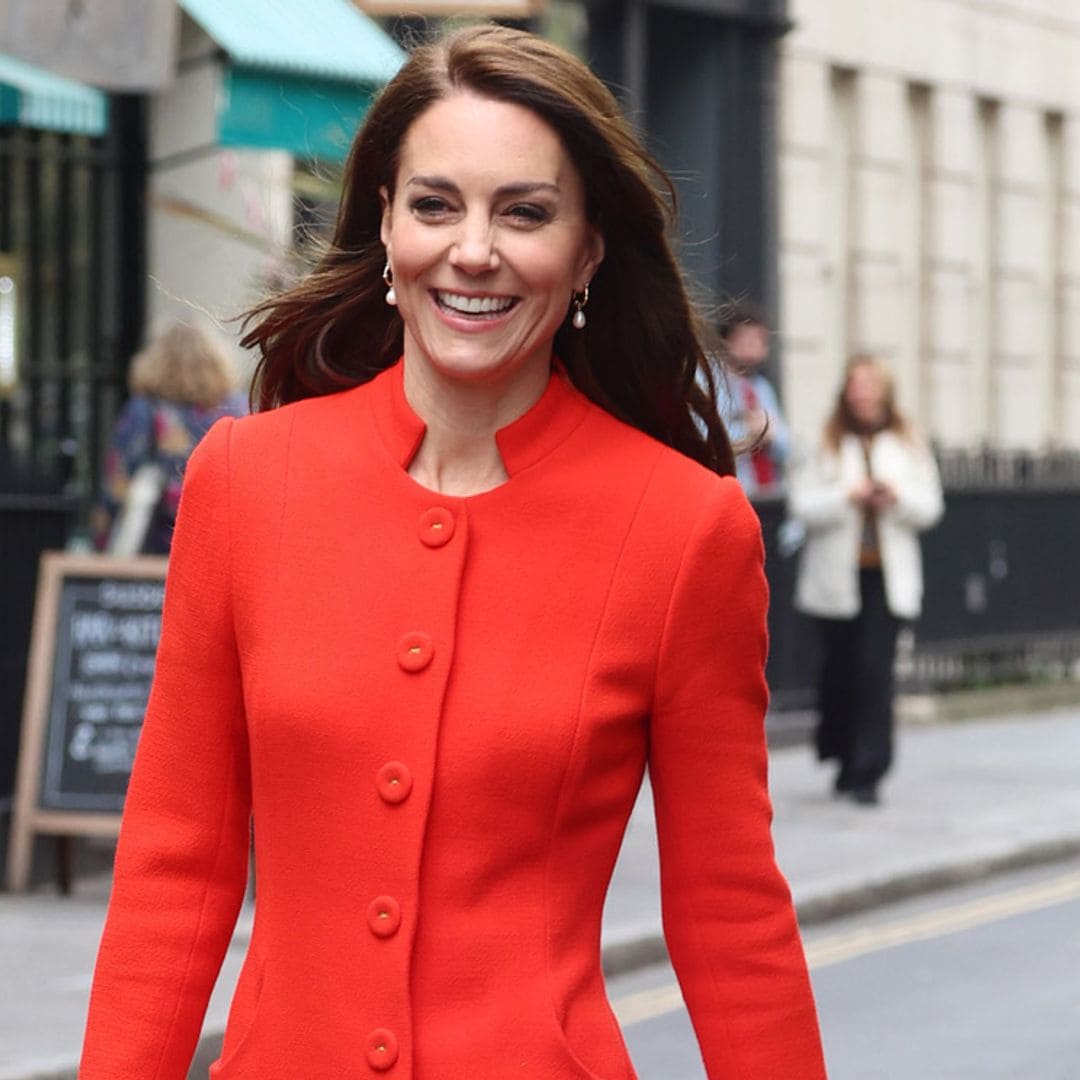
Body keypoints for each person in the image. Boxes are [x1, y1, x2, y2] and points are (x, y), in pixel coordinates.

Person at [80, 25, 825, 1079]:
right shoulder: (245, 479)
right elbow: (174, 866)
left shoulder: (684, 528)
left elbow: (729, 911)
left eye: (524, 213)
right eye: (435, 204)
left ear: (589, 250)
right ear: (385, 221)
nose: (473, 249)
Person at [788, 355, 943, 806]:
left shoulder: (907, 443)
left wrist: (895, 498)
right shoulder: (824, 442)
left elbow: (930, 506)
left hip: (886, 580)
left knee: (876, 674)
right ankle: (840, 754)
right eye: (856, 386)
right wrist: (847, 495)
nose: (863, 394)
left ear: (884, 392)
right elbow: (802, 505)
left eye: (870, 385)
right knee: (839, 673)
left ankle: (869, 771)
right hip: (835, 581)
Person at [90, 320, 248, 555]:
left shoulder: (145, 409)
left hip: (158, 548)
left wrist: (101, 541)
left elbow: (117, 482)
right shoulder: (239, 409)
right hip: (221, 543)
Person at [715, 299, 790, 496]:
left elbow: (784, 444)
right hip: (732, 491)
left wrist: (769, 435)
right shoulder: (710, 383)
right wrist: (750, 433)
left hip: (767, 493)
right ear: (727, 341)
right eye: (747, 340)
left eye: (761, 341)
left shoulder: (762, 388)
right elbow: (707, 440)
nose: (754, 348)